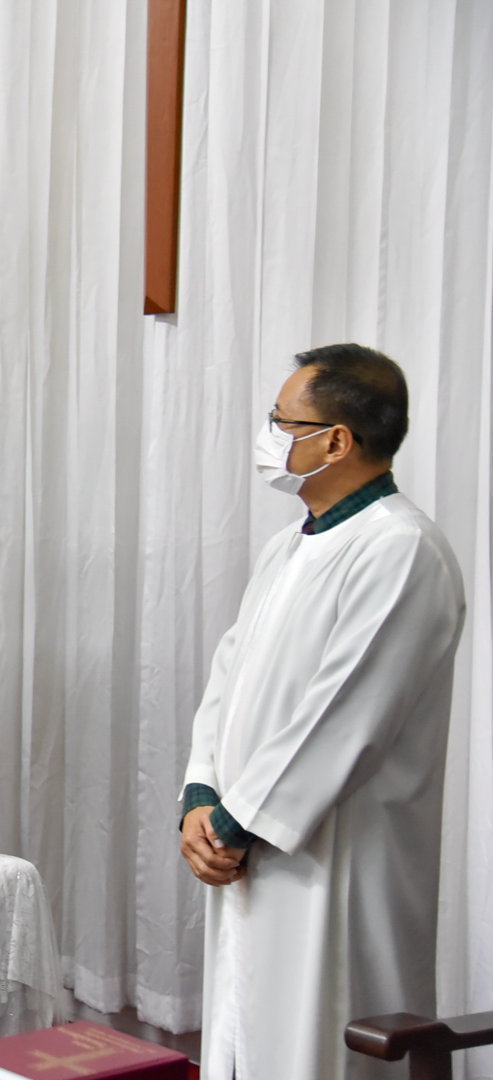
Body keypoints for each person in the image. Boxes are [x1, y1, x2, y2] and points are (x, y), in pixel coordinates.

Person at [179, 345, 465, 1080]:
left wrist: (236, 824)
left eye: (282, 421)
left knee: (322, 1039)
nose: (269, 435)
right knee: (248, 1036)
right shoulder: (289, 546)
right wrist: (201, 793)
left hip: (333, 856)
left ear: (336, 440)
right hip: (243, 840)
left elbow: (346, 716)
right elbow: (229, 676)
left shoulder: (401, 548)